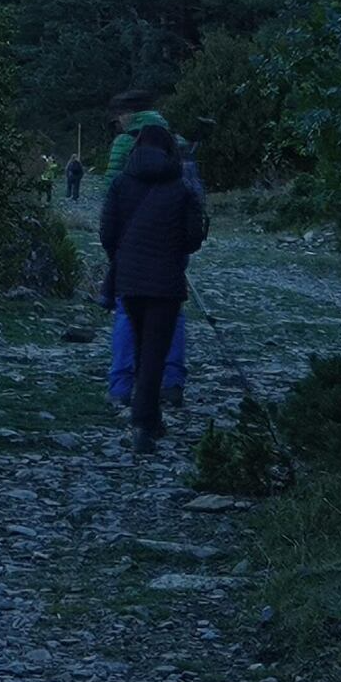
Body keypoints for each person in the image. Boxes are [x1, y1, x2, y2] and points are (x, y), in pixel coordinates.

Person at [99, 121, 207, 454]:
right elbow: (191, 240)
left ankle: (149, 417)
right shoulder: (181, 187)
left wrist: (124, 256)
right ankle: (143, 424)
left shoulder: (120, 183)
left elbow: (107, 232)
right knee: (155, 350)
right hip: (166, 281)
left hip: (129, 279)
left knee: (143, 342)